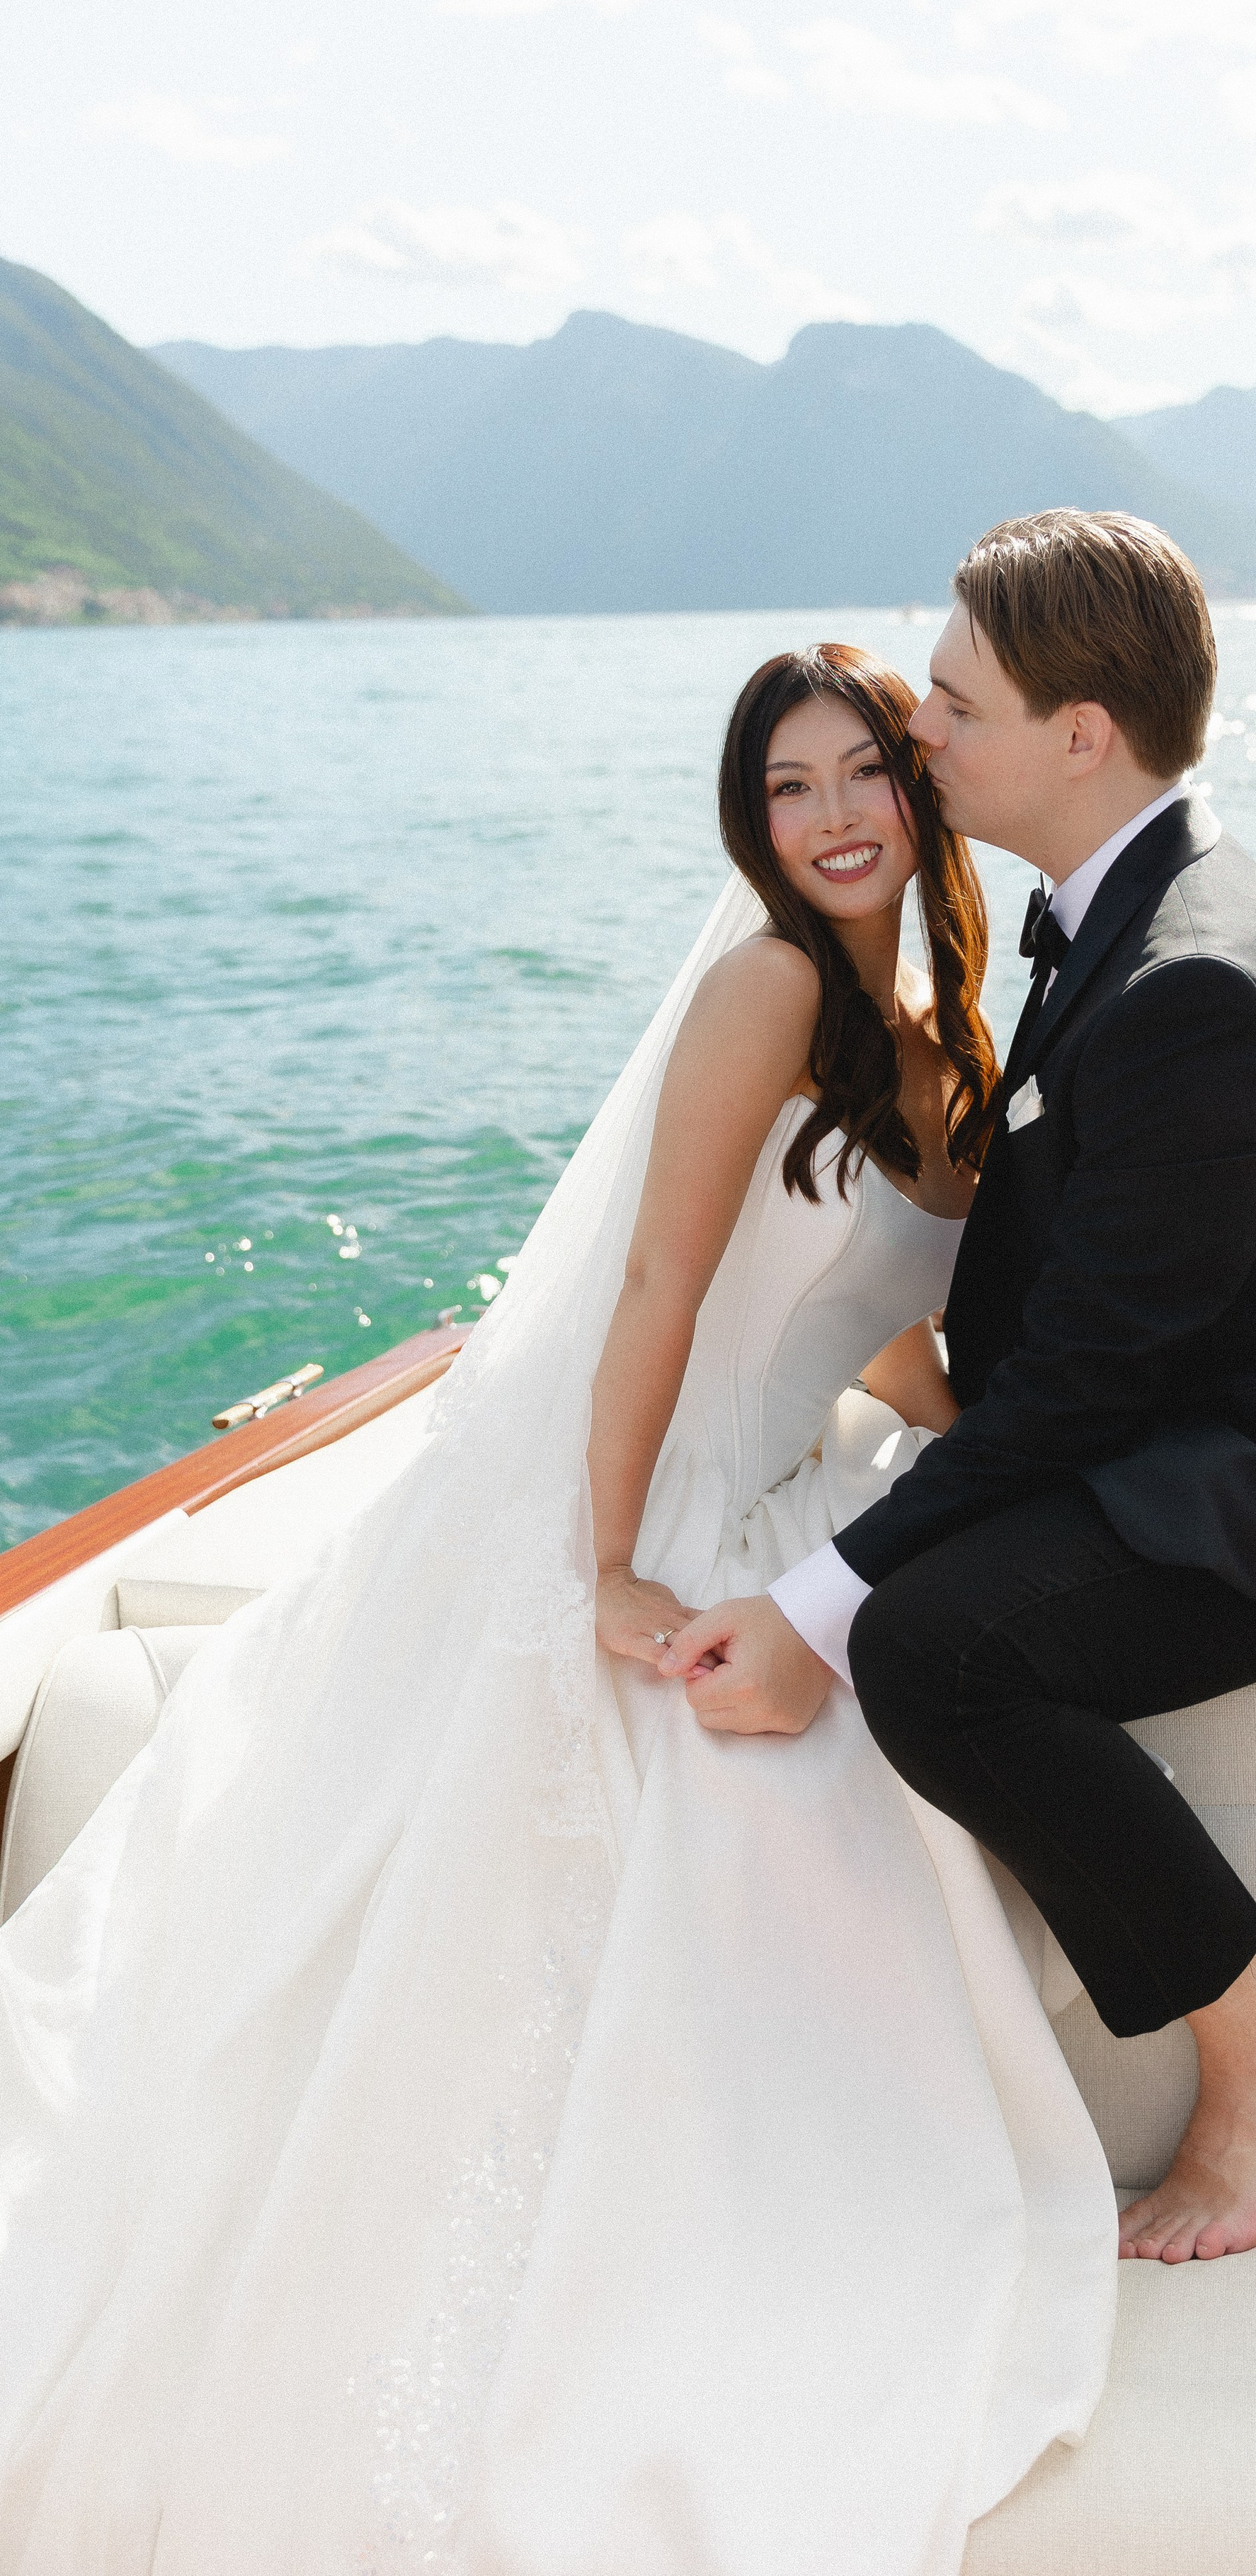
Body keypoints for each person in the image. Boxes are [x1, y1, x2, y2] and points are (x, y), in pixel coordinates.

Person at [0, 644, 1117, 2576]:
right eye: (790, 788)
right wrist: (608, 1566)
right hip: (654, 1487)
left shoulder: (937, 1035)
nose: (836, 814)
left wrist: (1045, 1431)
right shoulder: (765, 985)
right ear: (748, 823)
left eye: (867, 771)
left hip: (786, 1487)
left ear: (925, 792)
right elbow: (665, 1297)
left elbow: (889, 1332)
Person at [666, 510, 1256, 2268]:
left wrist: (812, 1604)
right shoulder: (1113, 902)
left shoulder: (1188, 982)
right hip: (1196, 1408)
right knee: (917, 1587)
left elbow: (1082, 1386)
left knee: (925, 1644)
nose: (922, 741)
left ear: (1081, 733)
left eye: (956, 709)